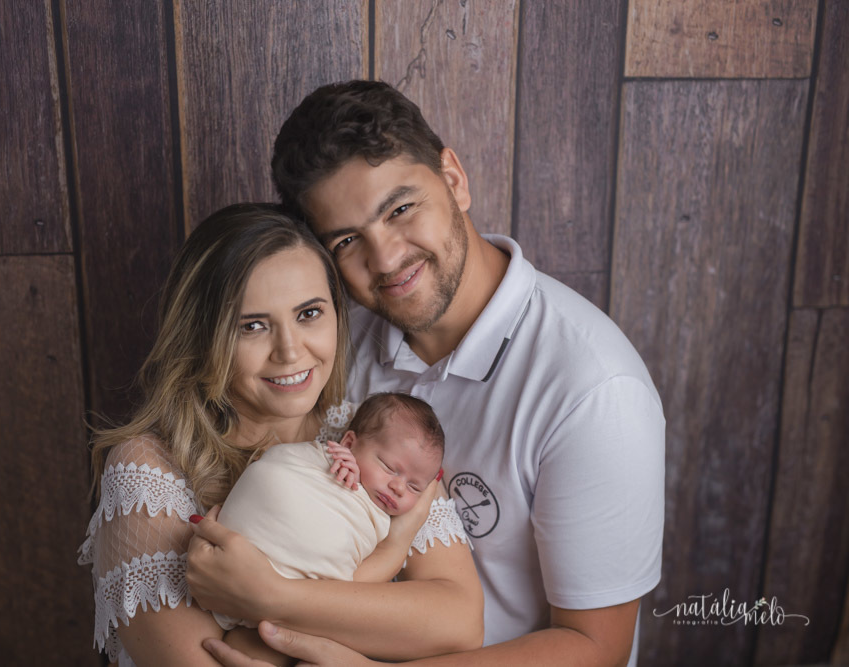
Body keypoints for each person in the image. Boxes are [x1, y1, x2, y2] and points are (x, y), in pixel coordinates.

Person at [190, 80, 666, 666]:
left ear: (454, 179)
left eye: (400, 209)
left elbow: (597, 650)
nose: (386, 259)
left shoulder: (592, 390)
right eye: (347, 240)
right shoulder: (330, 341)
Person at [77, 203, 482, 666]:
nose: (290, 352)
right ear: (203, 335)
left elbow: (460, 624)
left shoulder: (377, 439)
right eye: (252, 326)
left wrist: (272, 596)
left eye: (309, 313)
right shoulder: (149, 468)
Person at [213, 392, 453, 664]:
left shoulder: (384, 520)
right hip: (254, 547)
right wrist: (341, 460)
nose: (398, 487)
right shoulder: (336, 459)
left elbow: (356, 580)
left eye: (414, 487)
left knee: (265, 642)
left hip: (300, 599)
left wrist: (396, 540)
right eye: (388, 467)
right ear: (349, 442)